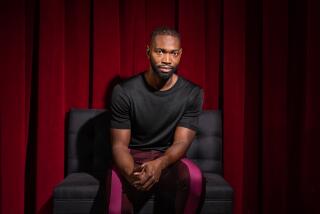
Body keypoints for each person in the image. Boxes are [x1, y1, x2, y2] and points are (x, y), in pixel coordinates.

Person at [109, 26, 205, 214]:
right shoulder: (124, 91)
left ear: (180, 54)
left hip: (169, 158)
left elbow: (181, 142)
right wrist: (133, 175)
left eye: (173, 53)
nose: (167, 60)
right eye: (160, 51)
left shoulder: (192, 93)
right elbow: (119, 146)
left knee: (194, 178)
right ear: (148, 51)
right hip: (132, 156)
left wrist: (159, 164)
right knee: (115, 183)